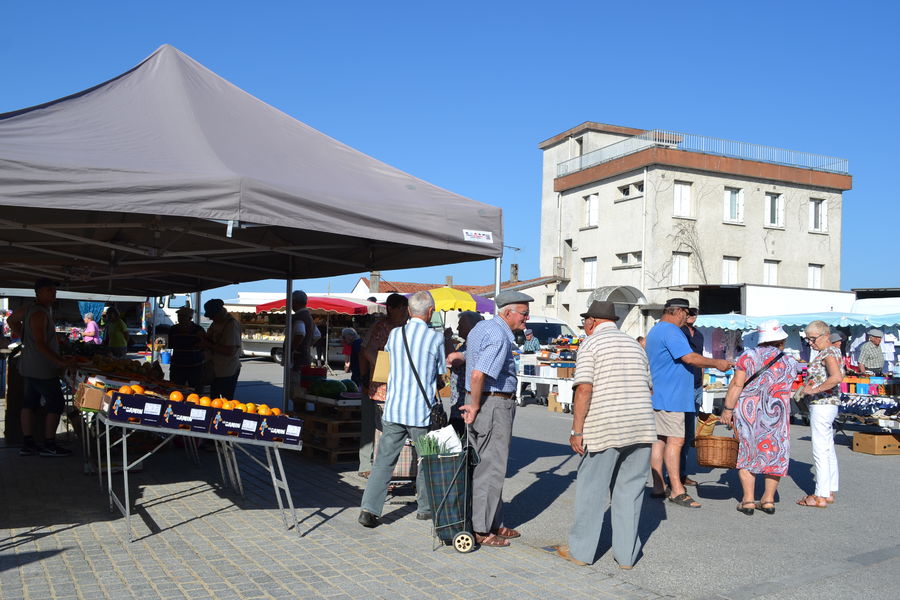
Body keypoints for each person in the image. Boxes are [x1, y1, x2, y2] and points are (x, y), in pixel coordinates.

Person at [550, 301, 657, 569]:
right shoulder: (635, 345)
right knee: (630, 493)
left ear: (592, 322)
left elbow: (584, 389)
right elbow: (649, 388)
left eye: (585, 321)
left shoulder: (591, 344)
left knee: (592, 491)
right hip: (641, 426)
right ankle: (626, 557)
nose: (584, 326)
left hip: (605, 425)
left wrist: (577, 430)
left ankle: (581, 552)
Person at [358, 291, 444, 527]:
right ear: (430, 312)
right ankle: (425, 508)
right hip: (421, 413)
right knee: (427, 458)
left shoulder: (395, 334)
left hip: (394, 409)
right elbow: (439, 375)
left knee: (384, 461)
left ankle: (369, 509)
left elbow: (386, 363)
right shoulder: (435, 339)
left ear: (409, 311)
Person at [461, 290, 533, 547]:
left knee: (488, 465)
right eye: (524, 313)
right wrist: (475, 405)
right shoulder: (498, 335)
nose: (526, 318)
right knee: (491, 468)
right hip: (492, 403)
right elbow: (478, 374)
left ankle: (493, 521)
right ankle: (482, 529)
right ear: (507, 312)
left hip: (486, 401)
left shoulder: (483, 328)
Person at [646, 298, 732, 509]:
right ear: (679, 312)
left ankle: (658, 486)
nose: (687, 318)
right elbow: (690, 358)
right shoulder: (672, 331)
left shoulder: (656, 330)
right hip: (673, 396)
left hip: (660, 393)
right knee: (676, 442)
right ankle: (677, 490)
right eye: (686, 314)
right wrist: (717, 363)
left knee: (659, 441)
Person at [720, 320, 799, 515]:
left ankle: (748, 500)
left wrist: (727, 409)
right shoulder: (790, 361)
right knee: (774, 452)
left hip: (749, 411)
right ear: (781, 339)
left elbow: (737, 385)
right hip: (777, 413)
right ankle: (768, 500)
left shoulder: (748, 356)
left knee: (747, 452)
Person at [8, 278, 75, 456]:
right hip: (41, 368)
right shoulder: (39, 313)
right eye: (49, 290)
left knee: (29, 403)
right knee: (57, 403)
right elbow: (40, 344)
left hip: (29, 365)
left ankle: (28, 443)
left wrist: (24, 335)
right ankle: (49, 444)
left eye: (54, 290)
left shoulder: (31, 308)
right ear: (38, 292)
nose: (53, 293)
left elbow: (11, 320)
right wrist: (60, 362)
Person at [357, 293, 409, 478]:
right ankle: (368, 465)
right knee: (375, 426)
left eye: (405, 308)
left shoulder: (408, 327)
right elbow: (365, 352)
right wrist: (371, 375)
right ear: (391, 309)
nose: (404, 312)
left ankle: (395, 468)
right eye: (400, 308)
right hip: (381, 386)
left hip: (402, 387)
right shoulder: (380, 327)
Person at [796, 320, 843, 508]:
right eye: (808, 339)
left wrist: (814, 390)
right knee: (828, 447)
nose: (810, 343)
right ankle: (829, 490)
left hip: (822, 404)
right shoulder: (833, 351)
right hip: (828, 404)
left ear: (826, 335)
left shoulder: (828, 353)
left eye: (813, 339)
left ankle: (820, 495)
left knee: (820, 449)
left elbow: (836, 377)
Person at [445, 311, 483, 435]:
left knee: (460, 438)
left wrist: (447, 339)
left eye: (461, 325)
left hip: (464, 405)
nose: (457, 328)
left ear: (471, 327)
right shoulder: (465, 344)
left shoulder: (473, 346)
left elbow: (454, 360)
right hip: (459, 403)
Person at [679, 307, 704, 487]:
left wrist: (702, 381)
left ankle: (681, 473)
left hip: (696, 385)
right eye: (689, 313)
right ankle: (671, 476)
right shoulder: (678, 332)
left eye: (694, 313)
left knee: (688, 435)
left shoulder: (699, 335)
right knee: (676, 435)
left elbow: (700, 358)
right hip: (682, 386)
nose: (691, 316)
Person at [202, 299, 242, 400]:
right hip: (216, 370)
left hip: (227, 371)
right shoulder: (216, 322)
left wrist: (208, 345)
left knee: (223, 401)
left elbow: (230, 351)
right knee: (214, 399)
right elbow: (209, 337)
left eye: (212, 316)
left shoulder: (231, 325)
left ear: (219, 312)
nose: (210, 318)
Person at [167, 306, 206, 391]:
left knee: (196, 391)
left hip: (195, 367)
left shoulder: (198, 329)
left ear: (190, 318)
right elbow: (170, 345)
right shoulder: (173, 329)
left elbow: (205, 346)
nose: (180, 318)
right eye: (179, 316)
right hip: (177, 366)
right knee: (176, 391)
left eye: (183, 316)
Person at [288, 291, 317, 370]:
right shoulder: (309, 316)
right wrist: (306, 345)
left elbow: (300, 333)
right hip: (305, 357)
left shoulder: (299, 316)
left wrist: (292, 349)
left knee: (295, 377)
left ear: (295, 302)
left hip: (297, 360)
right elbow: (317, 335)